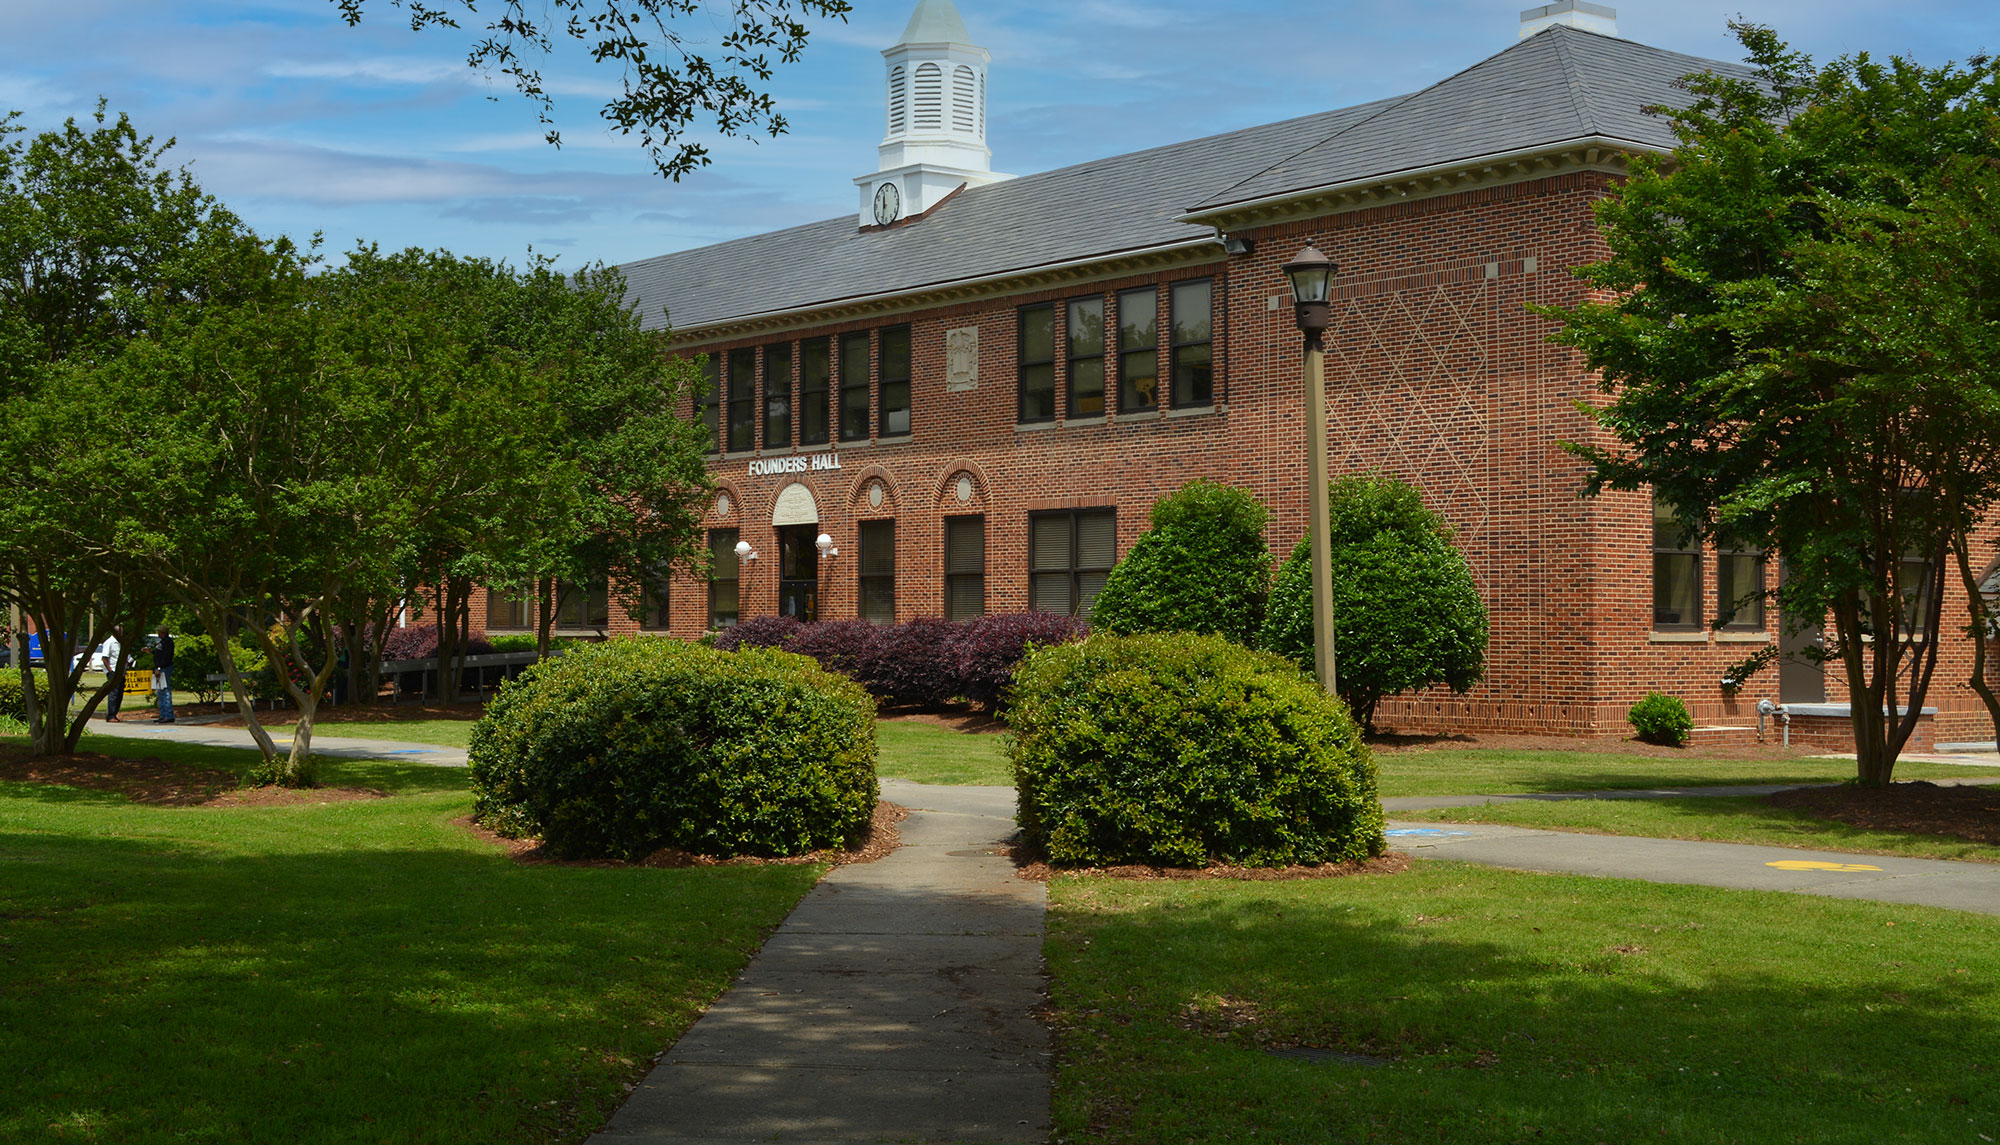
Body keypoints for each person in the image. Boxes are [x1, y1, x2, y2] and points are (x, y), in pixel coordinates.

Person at [104, 626, 126, 722]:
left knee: (120, 694)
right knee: (114, 694)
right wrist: (110, 671)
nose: (122, 634)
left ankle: (115, 714)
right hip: (113, 671)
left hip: (122, 672)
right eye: (121, 632)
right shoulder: (109, 642)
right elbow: (104, 658)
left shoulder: (121, 643)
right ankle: (111, 715)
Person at [153, 625, 175, 724]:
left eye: (159, 632)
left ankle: (168, 715)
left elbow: (165, 657)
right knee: (160, 691)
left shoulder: (167, 642)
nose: (158, 634)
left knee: (165, 691)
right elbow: (159, 654)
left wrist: (159, 668)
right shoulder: (162, 642)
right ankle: (163, 714)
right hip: (161, 668)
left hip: (164, 669)